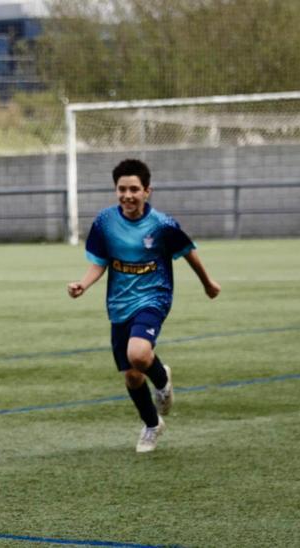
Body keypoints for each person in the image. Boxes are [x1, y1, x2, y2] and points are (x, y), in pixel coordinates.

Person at [67, 159, 221, 453]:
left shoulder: (162, 225)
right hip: (119, 303)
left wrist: (207, 283)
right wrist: (83, 285)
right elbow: (100, 263)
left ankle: (161, 382)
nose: (127, 195)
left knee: (138, 354)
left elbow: (188, 252)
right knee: (133, 375)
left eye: (134, 189)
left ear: (147, 191)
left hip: (154, 297)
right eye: (122, 189)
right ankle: (152, 425)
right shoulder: (105, 222)